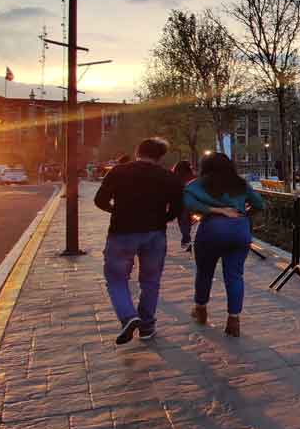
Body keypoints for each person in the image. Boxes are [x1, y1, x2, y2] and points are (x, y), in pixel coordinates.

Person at [94, 138, 184, 345]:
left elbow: (100, 200)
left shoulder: (118, 171)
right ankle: (147, 325)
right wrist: (162, 219)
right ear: (160, 156)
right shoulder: (168, 177)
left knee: (116, 278)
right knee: (151, 281)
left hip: (122, 232)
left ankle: (128, 316)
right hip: (155, 234)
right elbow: (178, 208)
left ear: (137, 152)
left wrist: (116, 210)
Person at [183, 153, 265, 337]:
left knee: (204, 272)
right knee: (235, 275)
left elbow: (188, 202)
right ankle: (233, 320)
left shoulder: (199, 184)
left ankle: (201, 309)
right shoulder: (240, 184)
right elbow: (260, 204)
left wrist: (214, 210)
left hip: (211, 230)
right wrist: (244, 213)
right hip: (239, 230)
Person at [171, 160, 196, 251]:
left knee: (183, 222)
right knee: (187, 222)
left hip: (181, 203)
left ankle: (186, 239)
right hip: (191, 202)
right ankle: (186, 239)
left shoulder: (174, 177)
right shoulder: (192, 176)